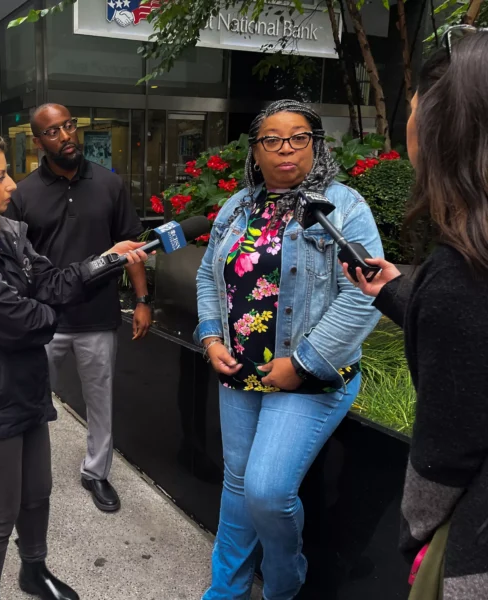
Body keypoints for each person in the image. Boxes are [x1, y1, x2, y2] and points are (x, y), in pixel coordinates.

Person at [0, 127, 148, 600]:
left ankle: (33, 571)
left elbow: (56, 282)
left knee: (37, 494)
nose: (11, 186)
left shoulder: (2, 231)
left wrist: (107, 260)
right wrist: (43, 304)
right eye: (0, 176)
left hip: (25, 388)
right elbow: (27, 322)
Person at [195, 100, 383, 600]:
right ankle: (224, 591)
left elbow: (366, 297)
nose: (285, 149)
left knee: (267, 491)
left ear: (316, 145)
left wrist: (301, 364)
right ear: (254, 151)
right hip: (240, 370)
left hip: (311, 376)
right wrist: (211, 336)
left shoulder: (343, 207)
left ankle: (284, 583)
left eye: (299, 137)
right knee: (236, 488)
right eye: (272, 139)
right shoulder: (238, 206)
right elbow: (207, 276)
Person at [344, 30, 488, 600]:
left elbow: (448, 450)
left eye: (413, 107)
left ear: (439, 129)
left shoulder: (462, 275)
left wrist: (418, 533)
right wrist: (398, 292)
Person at [5, 104, 152, 513]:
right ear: (37, 142)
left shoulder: (109, 184)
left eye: (69, 126)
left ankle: (96, 473)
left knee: (100, 399)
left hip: (98, 316)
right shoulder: (22, 194)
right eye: (52, 131)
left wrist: (141, 300)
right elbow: (14, 262)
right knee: (29, 397)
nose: (65, 136)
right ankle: (24, 474)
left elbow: (131, 247)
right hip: (44, 319)